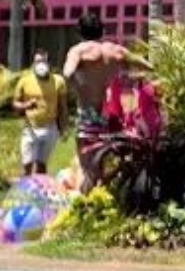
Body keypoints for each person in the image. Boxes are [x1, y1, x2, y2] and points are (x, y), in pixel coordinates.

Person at [62, 13, 150, 191]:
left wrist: (80, 85)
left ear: (79, 32)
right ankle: (105, 198)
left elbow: (67, 73)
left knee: (87, 169)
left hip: (88, 116)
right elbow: (146, 66)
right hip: (110, 116)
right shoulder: (115, 50)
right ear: (102, 30)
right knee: (104, 168)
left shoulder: (78, 51)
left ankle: (87, 204)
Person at [12, 49, 67, 175]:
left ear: (48, 63)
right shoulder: (25, 81)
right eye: (37, 61)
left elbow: (63, 107)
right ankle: (26, 186)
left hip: (50, 128)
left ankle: (40, 186)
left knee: (42, 165)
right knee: (27, 164)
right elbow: (15, 103)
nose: (41, 64)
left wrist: (63, 128)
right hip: (30, 129)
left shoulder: (58, 81)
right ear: (33, 64)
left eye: (43, 61)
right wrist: (26, 105)